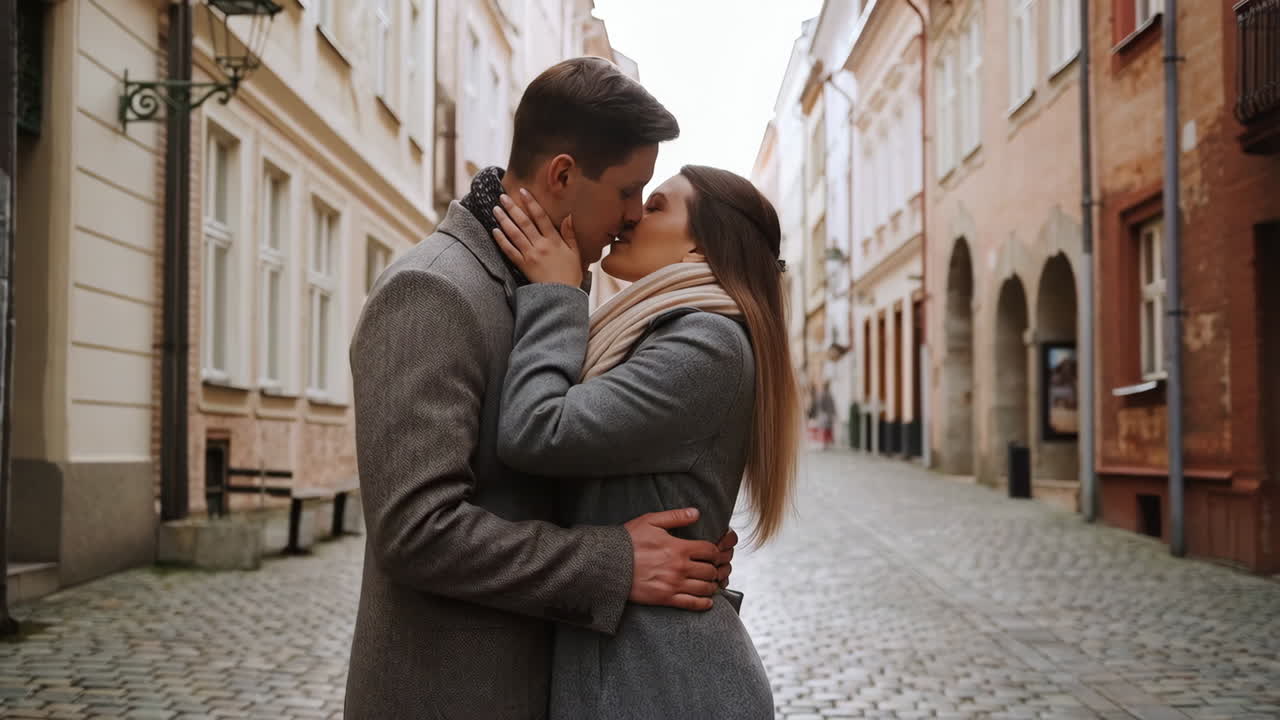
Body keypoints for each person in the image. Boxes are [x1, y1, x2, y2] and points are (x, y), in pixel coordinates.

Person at [345, 58, 740, 719]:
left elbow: (559, 465)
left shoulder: (545, 291)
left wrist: (681, 537)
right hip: (454, 696)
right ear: (562, 175)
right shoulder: (434, 290)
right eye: (626, 191)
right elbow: (417, 531)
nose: (632, 216)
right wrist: (617, 563)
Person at [490, 164, 800, 719]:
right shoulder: (664, 331)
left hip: (663, 682)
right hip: (637, 669)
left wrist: (557, 295)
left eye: (656, 206)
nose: (632, 214)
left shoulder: (706, 344)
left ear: (703, 248)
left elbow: (537, 428)